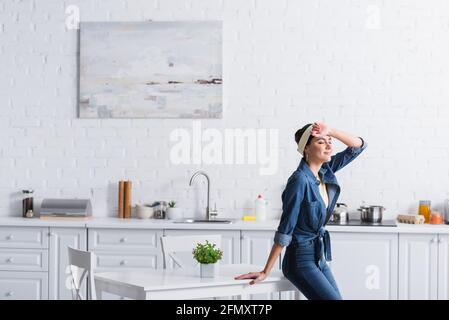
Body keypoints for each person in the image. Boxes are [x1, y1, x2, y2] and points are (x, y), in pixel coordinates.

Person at [234, 122, 367, 300]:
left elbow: (358, 146)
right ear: (306, 148)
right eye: (321, 142)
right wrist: (266, 271)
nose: (329, 145)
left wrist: (332, 132)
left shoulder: (325, 171)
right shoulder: (299, 181)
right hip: (300, 259)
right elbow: (285, 229)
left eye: (330, 141)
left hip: (318, 256)